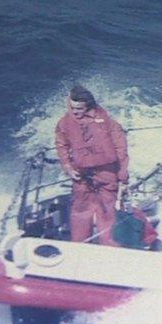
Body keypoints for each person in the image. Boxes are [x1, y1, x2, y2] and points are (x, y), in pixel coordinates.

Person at [54, 85, 129, 246]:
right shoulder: (65, 123)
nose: (75, 112)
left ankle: (110, 248)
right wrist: (68, 167)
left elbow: (121, 148)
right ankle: (79, 247)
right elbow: (62, 146)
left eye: (79, 109)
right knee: (80, 211)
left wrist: (122, 174)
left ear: (88, 106)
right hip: (81, 175)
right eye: (72, 108)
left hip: (107, 173)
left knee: (108, 212)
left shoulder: (108, 123)